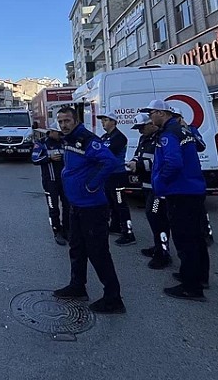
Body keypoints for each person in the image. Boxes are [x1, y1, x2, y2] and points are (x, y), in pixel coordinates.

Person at [52, 106, 126, 314]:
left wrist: (92, 185)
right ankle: (77, 286)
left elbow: (109, 161)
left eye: (67, 121)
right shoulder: (69, 140)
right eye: (60, 121)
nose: (63, 125)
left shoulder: (87, 139)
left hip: (92, 208)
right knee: (77, 248)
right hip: (77, 206)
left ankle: (113, 298)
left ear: (75, 121)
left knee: (98, 253)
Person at [140, 99, 209, 301]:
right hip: (193, 189)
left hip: (180, 192)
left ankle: (191, 287)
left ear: (161, 113)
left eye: (151, 113)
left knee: (185, 240)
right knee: (196, 238)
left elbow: (173, 163)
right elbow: (198, 148)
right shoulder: (183, 130)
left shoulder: (169, 134)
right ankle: (198, 276)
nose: (150, 118)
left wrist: (160, 182)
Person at [127, 113, 171, 269]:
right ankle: (157, 247)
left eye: (142, 127)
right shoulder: (144, 139)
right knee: (153, 218)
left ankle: (163, 254)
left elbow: (159, 162)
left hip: (157, 189)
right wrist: (133, 162)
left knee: (157, 218)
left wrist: (138, 166)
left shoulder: (159, 139)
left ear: (151, 124)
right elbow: (138, 155)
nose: (140, 131)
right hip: (146, 185)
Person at [175, 110, 214, 246]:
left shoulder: (191, 130)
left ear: (181, 118)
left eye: (177, 118)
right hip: (178, 180)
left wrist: (189, 132)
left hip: (193, 176)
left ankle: (206, 234)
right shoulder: (169, 133)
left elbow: (201, 146)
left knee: (200, 209)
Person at [98, 112, 136, 246]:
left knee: (121, 204)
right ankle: (115, 226)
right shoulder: (104, 137)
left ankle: (128, 233)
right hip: (108, 176)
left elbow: (105, 154)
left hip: (117, 175)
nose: (103, 123)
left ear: (113, 122)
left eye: (106, 120)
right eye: (102, 120)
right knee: (111, 203)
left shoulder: (119, 137)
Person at [31, 122, 69, 245]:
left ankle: (67, 230)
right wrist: (49, 158)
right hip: (50, 181)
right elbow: (35, 159)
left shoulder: (65, 142)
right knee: (53, 208)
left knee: (68, 206)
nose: (60, 135)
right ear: (52, 132)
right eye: (58, 133)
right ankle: (56, 231)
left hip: (65, 181)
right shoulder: (41, 143)